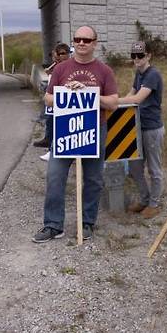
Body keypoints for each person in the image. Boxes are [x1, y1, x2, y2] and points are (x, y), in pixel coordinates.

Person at [32, 26, 118, 243]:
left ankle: (87, 222)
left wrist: (89, 95)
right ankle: (53, 225)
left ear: (94, 43)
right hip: (65, 129)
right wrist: (66, 92)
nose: (81, 43)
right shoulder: (61, 69)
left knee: (93, 179)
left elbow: (113, 103)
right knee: (54, 176)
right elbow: (48, 99)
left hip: (94, 129)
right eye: (78, 39)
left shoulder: (104, 71)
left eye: (86, 40)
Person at [118, 41, 164, 219]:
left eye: (140, 55)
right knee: (135, 166)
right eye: (133, 56)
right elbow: (131, 94)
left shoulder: (153, 74)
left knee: (154, 168)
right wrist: (118, 102)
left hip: (152, 128)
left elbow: (137, 99)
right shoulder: (139, 73)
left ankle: (154, 203)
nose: (136, 59)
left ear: (148, 55)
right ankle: (145, 199)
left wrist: (111, 101)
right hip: (137, 126)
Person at [34, 43, 70, 162]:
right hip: (53, 100)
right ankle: (51, 147)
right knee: (51, 123)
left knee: (58, 125)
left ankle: (54, 149)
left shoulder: (67, 66)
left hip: (63, 101)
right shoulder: (57, 66)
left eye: (62, 54)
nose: (58, 57)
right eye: (56, 54)